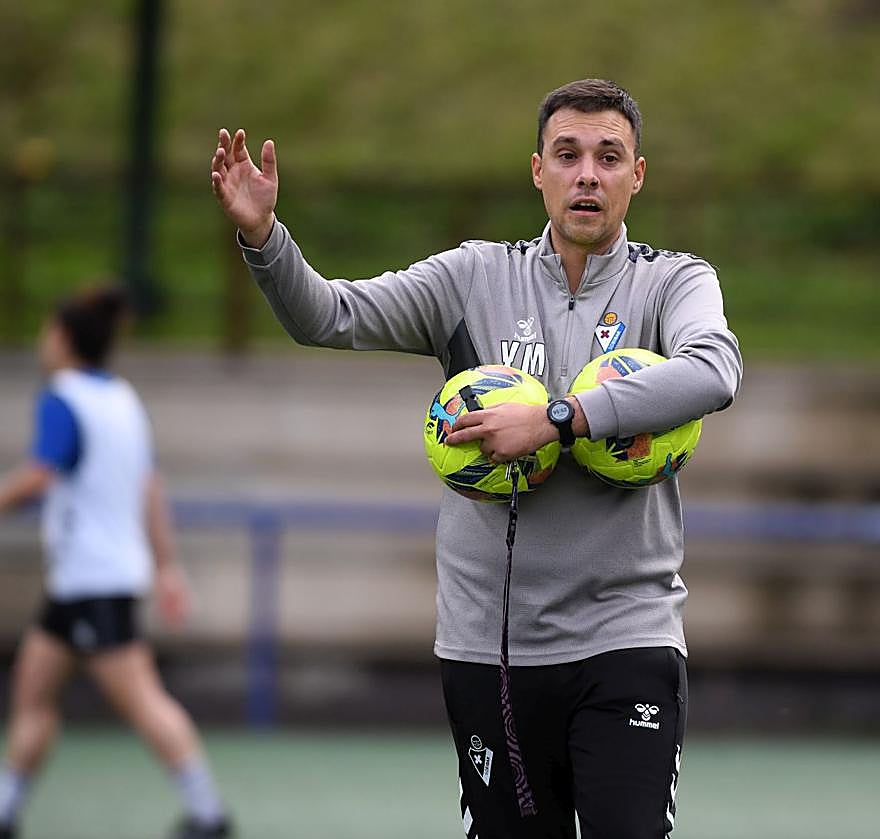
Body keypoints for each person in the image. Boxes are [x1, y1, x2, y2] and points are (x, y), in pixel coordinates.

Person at [210, 78, 741, 838]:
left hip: (627, 635)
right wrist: (265, 238)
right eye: (568, 155)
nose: (587, 175)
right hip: (488, 647)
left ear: (638, 175)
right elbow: (329, 314)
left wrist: (559, 419)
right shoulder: (474, 277)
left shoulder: (674, 280)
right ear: (538, 170)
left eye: (608, 157)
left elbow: (715, 370)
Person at [0, 289, 232, 839]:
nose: (43, 341)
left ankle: (208, 814)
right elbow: (150, 487)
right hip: (81, 581)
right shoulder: (122, 398)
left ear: (63, 339)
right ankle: (6, 809)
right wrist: (166, 566)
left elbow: (39, 475)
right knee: (32, 694)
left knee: (143, 701)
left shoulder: (63, 397)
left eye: (48, 331)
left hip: (93, 580)